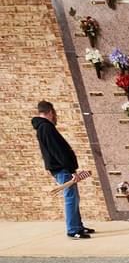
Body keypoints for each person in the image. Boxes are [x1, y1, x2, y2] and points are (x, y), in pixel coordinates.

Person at [31, 101, 94, 240]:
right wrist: (71, 169)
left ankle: (78, 226)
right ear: (50, 112)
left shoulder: (43, 127)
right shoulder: (46, 128)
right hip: (62, 169)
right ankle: (73, 230)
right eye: (54, 113)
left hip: (62, 168)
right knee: (71, 198)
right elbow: (58, 151)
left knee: (74, 197)